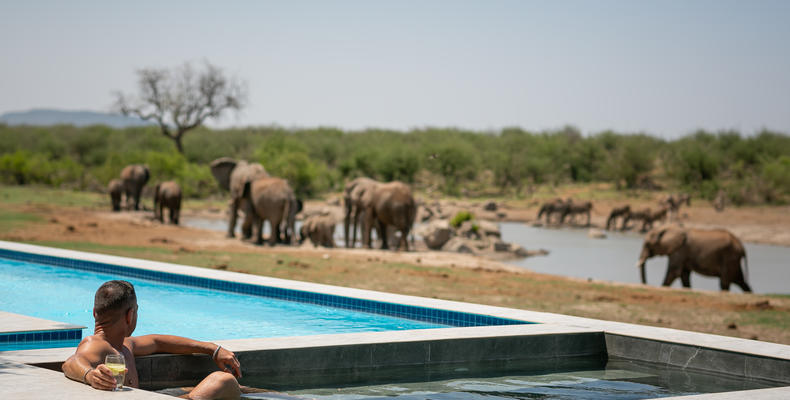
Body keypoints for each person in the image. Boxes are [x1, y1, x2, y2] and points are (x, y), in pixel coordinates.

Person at [62, 280, 242, 399]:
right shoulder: (94, 344)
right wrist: (90, 375)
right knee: (222, 381)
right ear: (130, 315)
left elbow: (158, 342)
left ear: (95, 313)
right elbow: (72, 361)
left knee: (224, 385)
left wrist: (213, 349)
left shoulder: (123, 345)